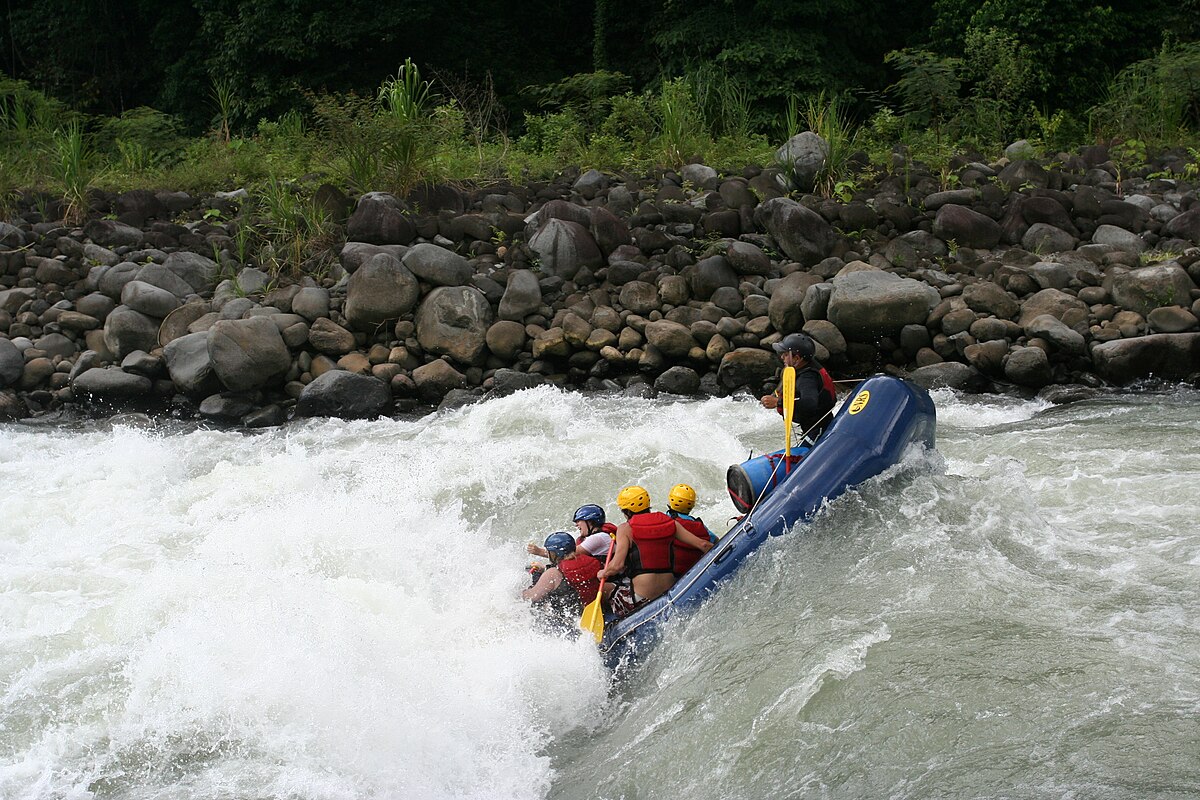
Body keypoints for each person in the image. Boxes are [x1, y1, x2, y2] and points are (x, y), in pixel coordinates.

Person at [599, 486, 714, 618]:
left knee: (605, 589)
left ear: (626, 511)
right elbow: (704, 545)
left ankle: (609, 626)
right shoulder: (670, 522)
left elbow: (617, 565)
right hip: (669, 591)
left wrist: (603, 572)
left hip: (642, 598)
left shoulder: (625, 528)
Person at [760, 333, 837, 442]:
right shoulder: (805, 366)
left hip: (818, 430)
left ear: (797, 358)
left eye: (786, 354)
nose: (782, 357)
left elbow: (809, 403)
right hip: (816, 425)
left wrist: (778, 402)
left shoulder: (807, 378)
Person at [522, 532, 603, 623]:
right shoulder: (592, 562)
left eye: (549, 552)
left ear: (555, 553)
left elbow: (532, 597)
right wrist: (544, 570)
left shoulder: (553, 573)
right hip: (590, 612)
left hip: (567, 622)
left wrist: (522, 593)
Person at [526, 504, 615, 560]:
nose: (576, 525)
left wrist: (539, 551)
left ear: (590, 521)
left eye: (578, 521)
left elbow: (568, 554)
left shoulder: (598, 538)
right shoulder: (599, 536)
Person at [665, 483, 716, 577]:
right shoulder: (697, 524)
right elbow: (715, 541)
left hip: (672, 574)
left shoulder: (663, 520)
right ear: (692, 505)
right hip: (695, 571)